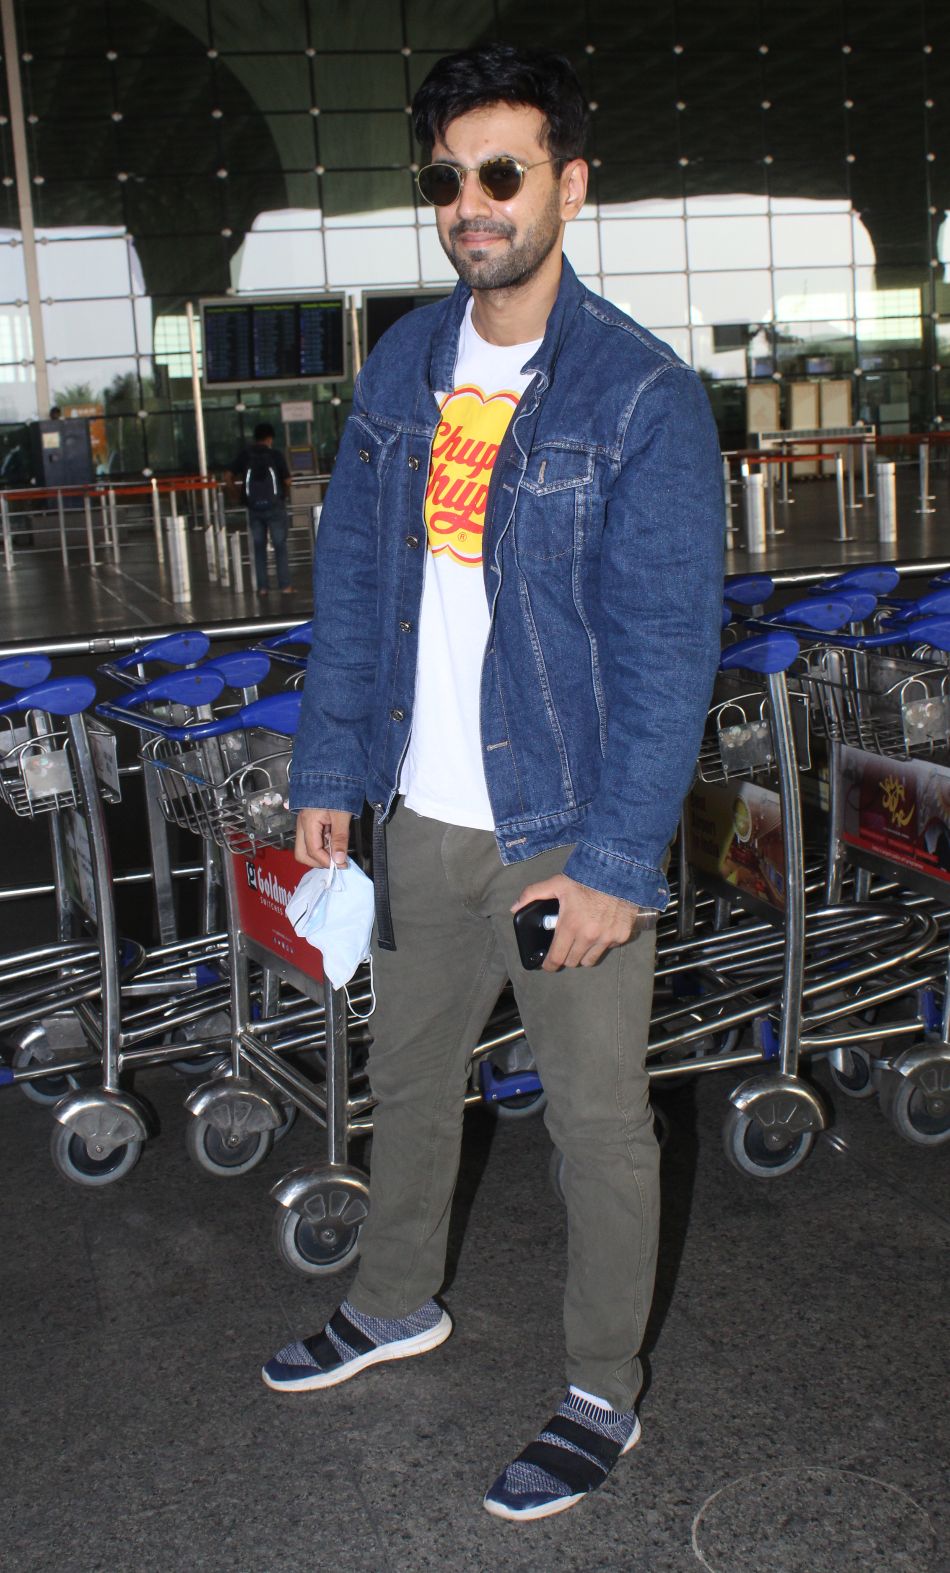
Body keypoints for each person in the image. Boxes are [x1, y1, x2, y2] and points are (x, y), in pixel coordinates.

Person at [264, 43, 725, 1523]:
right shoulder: (404, 363)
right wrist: (333, 766)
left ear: (568, 187)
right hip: (420, 814)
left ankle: (600, 1393)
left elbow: (665, 653)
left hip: (559, 829)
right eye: (448, 177)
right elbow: (354, 583)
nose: (472, 202)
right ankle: (394, 1299)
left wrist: (614, 863)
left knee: (595, 1126)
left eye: (503, 172)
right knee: (404, 1083)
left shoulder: (638, 395)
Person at [225, 421, 293, 596]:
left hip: (254, 508)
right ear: (270, 438)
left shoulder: (245, 454)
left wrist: (236, 495)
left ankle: (263, 588)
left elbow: (227, 476)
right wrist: (283, 496)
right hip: (275, 507)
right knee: (280, 546)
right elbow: (287, 481)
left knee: (258, 547)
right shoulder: (275, 455)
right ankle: (285, 586)